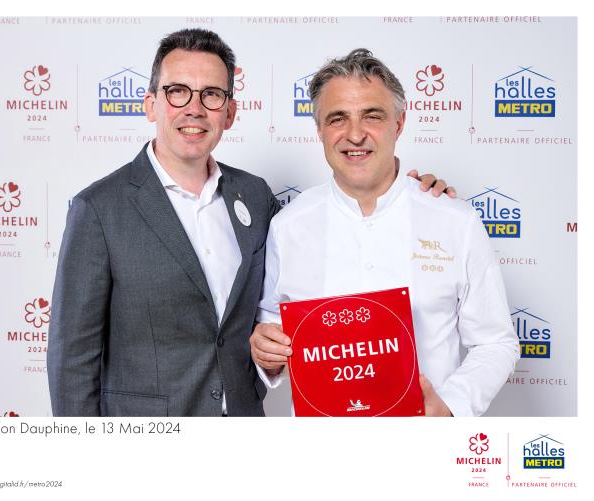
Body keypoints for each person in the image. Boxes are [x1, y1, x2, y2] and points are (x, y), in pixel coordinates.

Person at [47, 29, 451, 417]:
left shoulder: (256, 197)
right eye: (177, 92)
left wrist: (406, 195)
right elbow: (72, 359)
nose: (195, 108)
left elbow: (329, 233)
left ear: (230, 112)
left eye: (211, 94)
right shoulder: (99, 209)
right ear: (151, 104)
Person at [251, 49, 520, 417]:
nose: (355, 134)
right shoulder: (287, 226)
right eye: (337, 118)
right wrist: (266, 353)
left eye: (372, 116)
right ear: (319, 130)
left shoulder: (456, 220)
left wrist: (452, 406)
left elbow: (496, 341)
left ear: (400, 123)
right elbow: (272, 329)